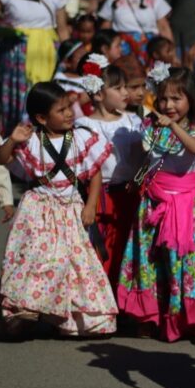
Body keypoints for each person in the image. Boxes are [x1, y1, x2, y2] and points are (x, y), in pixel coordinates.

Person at [0, 82, 116, 337]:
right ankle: (25, 306)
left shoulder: (81, 137)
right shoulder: (30, 142)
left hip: (71, 209)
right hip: (38, 210)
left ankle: (76, 319)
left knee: (75, 263)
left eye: (69, 107)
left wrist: (91, 205)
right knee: (35, 259)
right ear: (41, 117)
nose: (69, 114)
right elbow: (1, 159)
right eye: (61, 110)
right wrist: (11, 140)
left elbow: (93, 174)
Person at [117, 65, 195, 343]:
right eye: (163, 99)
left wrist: (172, 124)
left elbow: (194, 148)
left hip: (185, 205)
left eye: (176, 99)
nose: (168, 105)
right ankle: (149, 317)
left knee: (191, 262)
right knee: (149, 257)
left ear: (191, 100)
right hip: (153, 201)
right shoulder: (150, 126)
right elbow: (147, 157)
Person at [75, 54, 144, 290]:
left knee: (126, 247)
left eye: (126, 86)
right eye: (118, 87)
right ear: (98, 94)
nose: (126, 92)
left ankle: (124, 301)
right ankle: (101, 302)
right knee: (101, 249)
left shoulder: (133, 120)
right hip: (100, 196)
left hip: (130, 193)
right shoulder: (84, 125)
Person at [0, 0, 70, 134]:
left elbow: (63, 31)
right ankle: (12, 143)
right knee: (15, 103)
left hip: (46, 55)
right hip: (15, 56)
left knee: (43, 98)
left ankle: (42, 142)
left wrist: (69, 58)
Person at [98, 0, 173, 65]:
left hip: (149, 51)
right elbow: (105, 28)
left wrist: (170, 52)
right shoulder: (113, 0)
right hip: (122, 50)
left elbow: (163, 27)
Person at [53, 40, 91, 119]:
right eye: (81, 57)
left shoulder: (90, 78)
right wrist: (78, 101)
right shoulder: (59, 79)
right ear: (67, 63)